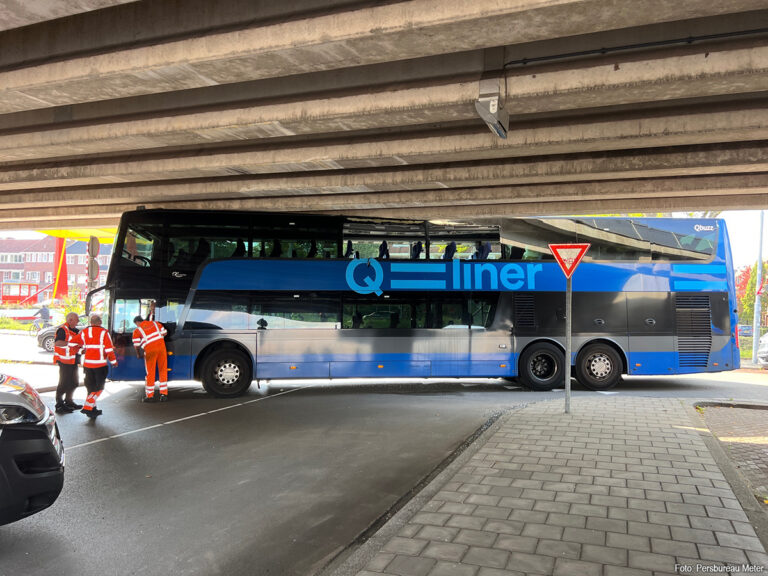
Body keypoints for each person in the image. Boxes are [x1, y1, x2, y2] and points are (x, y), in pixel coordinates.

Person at [71, 314, 117, 419]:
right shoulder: (104, 332)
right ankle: (88, 406)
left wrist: (80, 350)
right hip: (100, 365)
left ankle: (92, 410)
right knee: (99, 387)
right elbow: (109, 350)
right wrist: (114, 361)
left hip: (87, 365)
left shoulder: (84, 332)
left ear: (91, 323)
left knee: (90, 387)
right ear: (99, 322)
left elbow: (72, 342)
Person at [132, 315, 169, 402]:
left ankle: (150, 396)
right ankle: (164, 394)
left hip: (150, 351)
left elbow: (136, 345)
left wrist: (138, 354)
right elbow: (165, 333)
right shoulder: (156, 323)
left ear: (137, 322)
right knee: (163, 370)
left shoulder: (137, 330)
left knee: (150, 373)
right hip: (161, 349)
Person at [52, 312, 82, 414]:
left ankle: (69, 401)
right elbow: (58, 342)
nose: (78, 321)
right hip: (64, 361)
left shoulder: (75, 331)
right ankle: (59, 405)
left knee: (74, 382)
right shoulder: (63, 330)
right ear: (70, 320)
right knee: (63, 383)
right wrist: (73, 343)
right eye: (76, 319)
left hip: (73, 360)